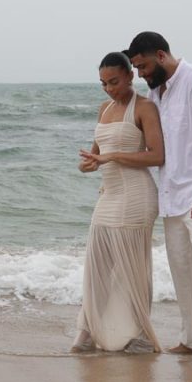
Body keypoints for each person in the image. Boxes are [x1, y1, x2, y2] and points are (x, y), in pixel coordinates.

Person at [126, 31, 192, 367]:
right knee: (182, 269)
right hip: (172, 195)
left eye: (143, 66)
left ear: (161, 55)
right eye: (136, 69)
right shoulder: (156, 91)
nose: (141, 74)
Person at [71, 51, 164, 354]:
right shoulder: (104, 108)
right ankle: (87, 332)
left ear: (130, 76)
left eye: (114, 81)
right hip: (108, 195)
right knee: (96, 265)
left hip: (136, 196)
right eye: (102, 84)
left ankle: (140, 335)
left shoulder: (146, 108)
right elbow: (99, 152)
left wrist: (110, 157)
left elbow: (157, 155)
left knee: (132, 269)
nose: (109, 88)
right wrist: (89, 165)